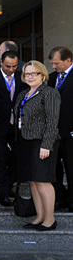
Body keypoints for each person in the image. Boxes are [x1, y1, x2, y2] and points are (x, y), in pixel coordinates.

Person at [16, 61, 60, 231]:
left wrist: (46, 145)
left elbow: (52, 121)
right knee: (33, 181)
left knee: (43, 180)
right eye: (27, 74)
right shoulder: (24, 94)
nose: (30, 77)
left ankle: (50, 219)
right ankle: (40, 216)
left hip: (42, 142)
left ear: (42, 75)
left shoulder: (49, 93)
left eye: (34, 73)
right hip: (26, 142)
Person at [0, 51, 26, 206]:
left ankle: (9, 184)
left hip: (18, 126)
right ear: (0, 62)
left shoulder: (21, 77)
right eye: (7, 66)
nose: (11, 69)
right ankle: (3, 192)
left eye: (14, 66)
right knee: (0, 158)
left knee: (19, 157)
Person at [48, 46, 73, 211]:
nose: (54, 67)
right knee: (54, 168)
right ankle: (60, 198)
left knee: (71, 167)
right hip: (53, 133)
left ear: (68, 60)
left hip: (71, 132)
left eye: (57, 63)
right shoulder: (51, 78)